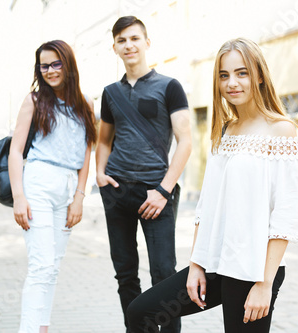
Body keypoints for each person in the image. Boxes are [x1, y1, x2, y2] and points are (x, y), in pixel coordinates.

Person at [126, 37, 298, 333]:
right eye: (224, 75)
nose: (232, 82)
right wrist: (197, 264)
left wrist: (264, 283)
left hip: (253, 270)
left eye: (242, 72)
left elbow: (286, 215)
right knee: (141, 312)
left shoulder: (281, 130)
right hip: (216, 262)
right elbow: (206, 205)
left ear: (259, 75)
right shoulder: (226, 130)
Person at [96, 16, 192, 333]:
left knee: (164, 273)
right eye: (122, 40)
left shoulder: (170, 86)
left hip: (157, 194)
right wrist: (100, 174)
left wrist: (163, 191)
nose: (129, 45)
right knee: (125, 272)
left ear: (146, 43)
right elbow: (104, 140)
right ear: (115, 48)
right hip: (118, 191)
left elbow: (186, 141)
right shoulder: (110, 93)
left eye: (135, 38)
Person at [9, 40, 96, 333]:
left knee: (53, 267)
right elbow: (15, 151)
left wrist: (80, 197)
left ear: (68, 64)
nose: (49, 70)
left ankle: (41, 327)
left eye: (56, 63)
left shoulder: (85, 105)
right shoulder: (34, 101)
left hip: (69, 187)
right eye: (44, 65)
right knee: (41, 266)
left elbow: (87, 153)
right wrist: (19, 197)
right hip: (39, 182)